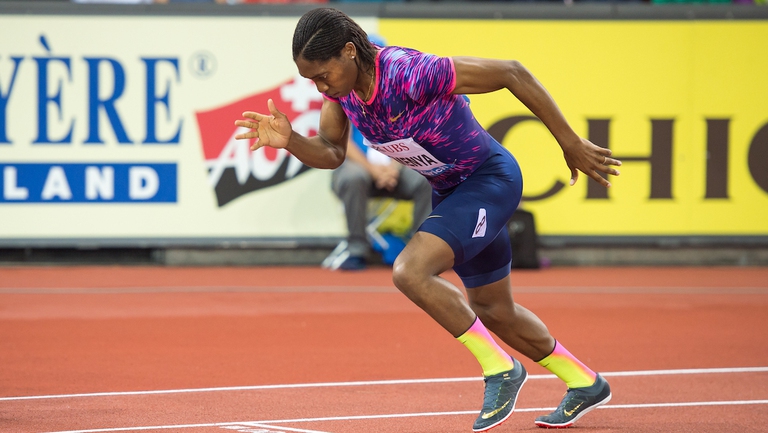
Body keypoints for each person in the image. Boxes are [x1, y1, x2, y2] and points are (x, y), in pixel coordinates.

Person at [234, 7, 621, 431]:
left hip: (489, 181)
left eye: (322, 74)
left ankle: (500, 369)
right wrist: (290, 141)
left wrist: (569, 142)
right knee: (493, 309)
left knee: (409, 271)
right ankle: (584, 382)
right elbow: (331, 151)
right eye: (311, 79)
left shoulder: (409, 73)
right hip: (451, 192)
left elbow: (512, 72)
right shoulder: (340, 94)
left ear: (349, 51)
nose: (319, 86)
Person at [330, 34, 432, 271]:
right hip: (360, 168)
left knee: (428, 179)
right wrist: (374, 170)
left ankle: (423, 252)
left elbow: (413, 135)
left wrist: (394, 167)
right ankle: (357, 249)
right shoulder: (341, 95)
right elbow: (340, 142)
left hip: (397, 166)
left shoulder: (400, 94)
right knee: (353, 178)